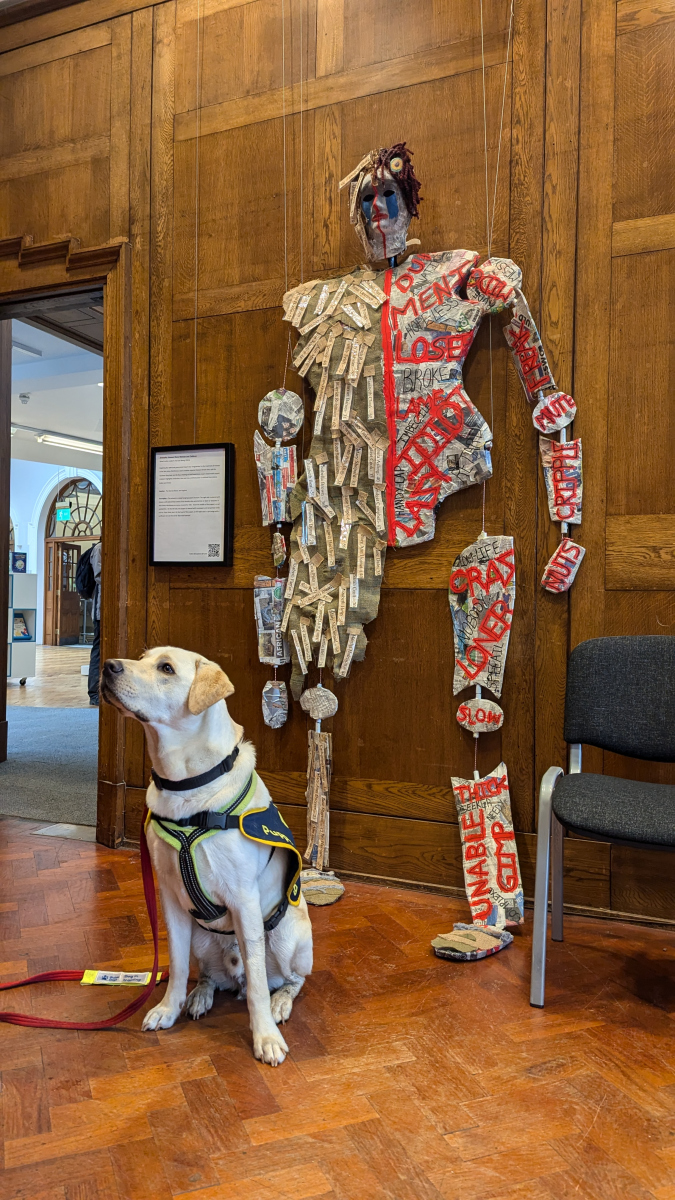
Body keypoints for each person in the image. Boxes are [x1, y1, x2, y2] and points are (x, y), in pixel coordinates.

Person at [88, 540, 101, 706]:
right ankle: (94, 693)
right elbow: (99, 576)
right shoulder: (99, 548)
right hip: (100, 613)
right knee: (98, 651)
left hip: (107, 610)